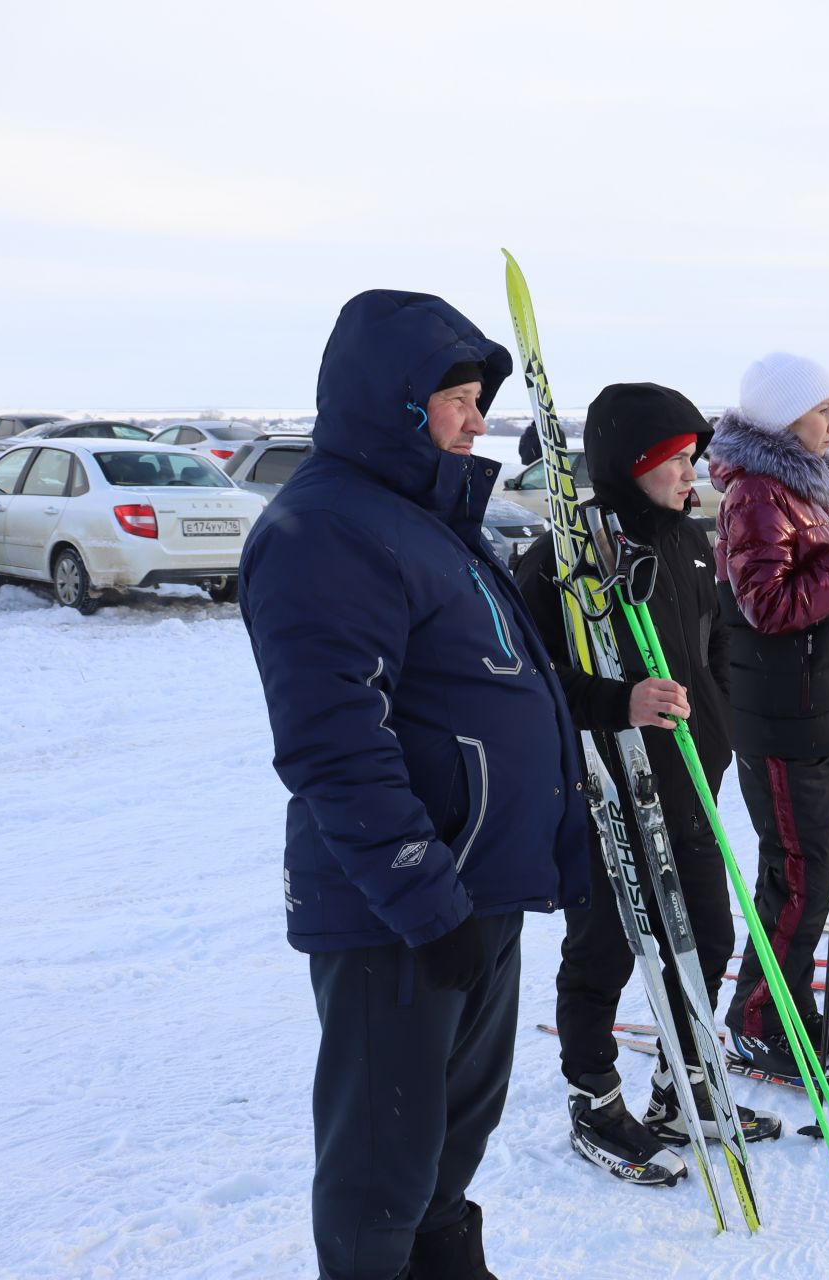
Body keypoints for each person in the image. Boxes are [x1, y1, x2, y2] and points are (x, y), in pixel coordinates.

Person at [239, 290, 593, 1278]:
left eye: (482, 397)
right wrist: (424, 897)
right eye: (461, 398)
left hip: (473, 892)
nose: (480, 420)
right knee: (378, 1169)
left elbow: (494, 686)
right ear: (396, 401)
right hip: (397, 912)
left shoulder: (428, 521)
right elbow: (332, 743)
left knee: (447, 1146)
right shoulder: (323, 530)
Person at [515, 383, 781, 1183]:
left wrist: (720, 734)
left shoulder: (691, 543)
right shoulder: (562, 561)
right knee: (603, 951)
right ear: (632, 462)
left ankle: (683, 1085)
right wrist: (616, 704)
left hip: (689, 779)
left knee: (706, 934)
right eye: (676, 459)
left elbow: (720, 648)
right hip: (599, 788)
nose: (689, 473)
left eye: (694, 458)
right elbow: (530, 685)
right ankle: (594, 1100)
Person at [706, 352, 829, 1074]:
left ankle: (789, 1010)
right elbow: (772, 606)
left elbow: (817, 588)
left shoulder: (797, 489)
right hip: (782, 714)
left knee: (808, 876)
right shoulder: (756, 494)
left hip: (816, 708)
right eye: (823, 410)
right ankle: (757, 1020)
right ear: (786, 417)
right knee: (798, 877)